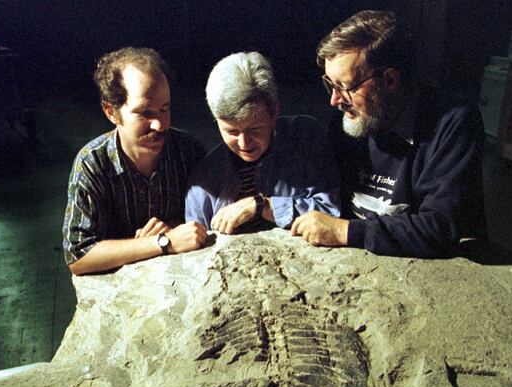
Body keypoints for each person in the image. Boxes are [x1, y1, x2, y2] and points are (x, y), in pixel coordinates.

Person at [291, 10, 486, 258]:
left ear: (389, 81)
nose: (334, 100)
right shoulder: (346, 124)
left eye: (345, 86)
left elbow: (440, 228)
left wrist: (347, 232)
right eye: (330, 84)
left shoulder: (455, 123)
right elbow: (321, 194)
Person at [63, 47, 208, 275]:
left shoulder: (188, 151)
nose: (159, 125)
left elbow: (211, 221)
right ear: (111, 112)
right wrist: (161, 242)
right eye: (145, 113)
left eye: (164, 109)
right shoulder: (92, 162)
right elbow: (78, 256)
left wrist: (176, 226)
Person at [185, 52, 340, 235]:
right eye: (231, 132)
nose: (243, 143)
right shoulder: (205, 177)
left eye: (254, 129)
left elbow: (332, 212)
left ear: (274, 111)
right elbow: (194, 238)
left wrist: (263, 206)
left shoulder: (304, 137)